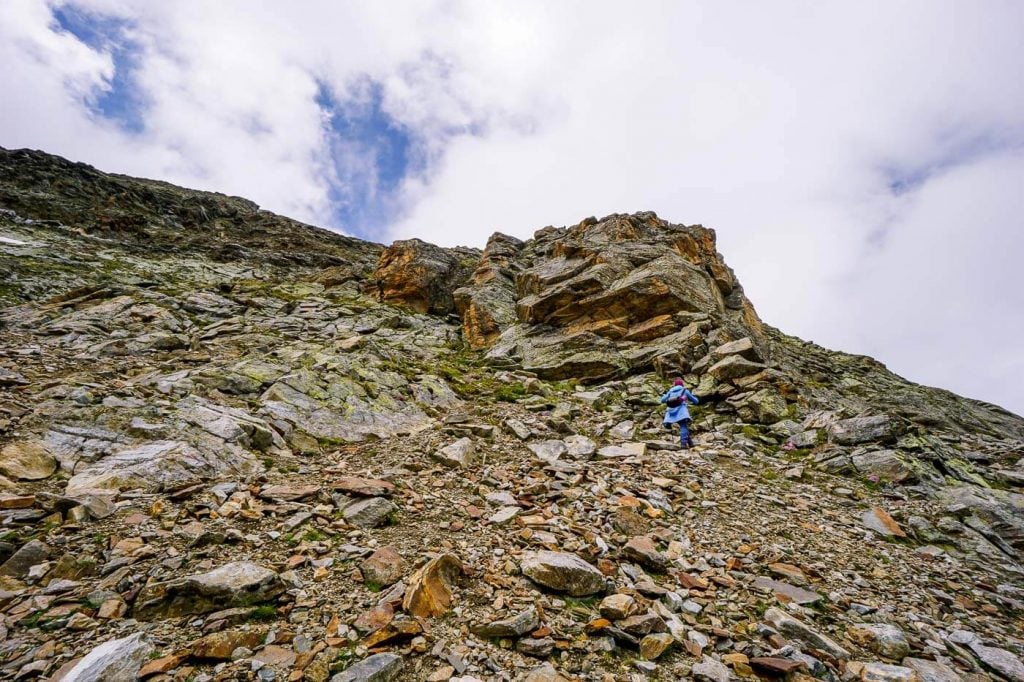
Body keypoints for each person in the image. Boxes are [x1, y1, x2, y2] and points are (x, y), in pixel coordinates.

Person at [660, 378, 699, 449]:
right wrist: (697, 399)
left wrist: (664, 395)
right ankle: (683, 444)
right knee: (683, 426)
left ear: (674, 385)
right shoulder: (684, 391)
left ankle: (690, 443)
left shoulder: (670, 392)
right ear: (682, 385)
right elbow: (695, 401)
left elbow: (662, 400)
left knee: (685, 427)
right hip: (681, 411)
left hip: (670, 412)